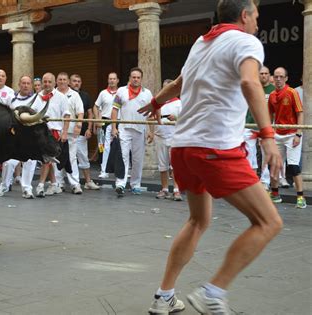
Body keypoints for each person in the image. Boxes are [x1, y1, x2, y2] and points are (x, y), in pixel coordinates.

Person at [138, 1, 283, 314]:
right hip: (214, 148)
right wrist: (268, 136)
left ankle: (164, 296)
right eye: (256, 16)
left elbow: (178, 84)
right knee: (268, 222)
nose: (258, 23)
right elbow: (249, 81)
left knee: (197, 220)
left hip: (184, 148)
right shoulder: (247, 41)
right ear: (244, 16)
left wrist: (155, 102)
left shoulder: (201, 44)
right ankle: (212, 292)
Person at [111, 67, 153, 197]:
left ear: (141, 79)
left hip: (140, 130)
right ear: (129, 78)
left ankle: (136, 185)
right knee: (122, 157)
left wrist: (151, 131)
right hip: (124, 129)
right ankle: (120, 184)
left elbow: (150, 114)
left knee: (137, 159)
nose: (135, 79)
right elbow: (114, 110)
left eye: (138, 77)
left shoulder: (147, 93)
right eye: (133, 77)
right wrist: (114, 127)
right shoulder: (121, 91)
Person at [268, 67, 306, 208]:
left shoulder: (292, 93)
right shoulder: (272, 95)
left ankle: (301, 198)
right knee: (274, 165)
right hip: (277, 135)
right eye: (276, 76)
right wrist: (268, 134)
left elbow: (300, 113)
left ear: (286, 78)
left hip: (292, 135)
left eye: (281, 77)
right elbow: (269, 116)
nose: (278, 79)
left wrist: (298, 133)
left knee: (293, 167)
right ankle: (275, 194)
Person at [0, 75, 37, 198]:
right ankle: (4, 186)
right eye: (23, 83)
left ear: (31, 85)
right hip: (15, 138)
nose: (25, 85)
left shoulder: (37, 99)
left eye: (28, 83)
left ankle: (27, 189)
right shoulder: (11, 99)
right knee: (8, 162)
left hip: (30, 138)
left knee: (30, 163)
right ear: (19, 84)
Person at [34, 72, 71, 198]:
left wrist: (65, 132)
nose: (47, 84)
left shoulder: (61, 97)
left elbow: (66, 115)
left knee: (46, 159)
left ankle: (40, 185)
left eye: (50, 82)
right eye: (45, 81)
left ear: (54, 83)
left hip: (54, 132)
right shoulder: (37, 96)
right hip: (40, 132)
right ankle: (54, 184)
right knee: (47, 159)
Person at [55, 72, 84, 194]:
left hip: (71, 131)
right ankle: (58, 184)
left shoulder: (74, 95)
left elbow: (80, 112)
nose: (62, 81)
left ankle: (75, 184)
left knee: (71, 157)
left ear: (68, 81)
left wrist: (79, 125)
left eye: (64, 79)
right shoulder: (53, 94)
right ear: (56, 81)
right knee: (56, 159)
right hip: (56, 131)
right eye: (60, 79)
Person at [69, 74, 100, 190]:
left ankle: (88, 181)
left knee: (83, 157)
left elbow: (90, 113)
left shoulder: (85, 95)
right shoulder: (65, 95)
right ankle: (60, 183)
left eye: (79, 81)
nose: (76, 83)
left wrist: (89, 128)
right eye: (74, 81)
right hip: (68, 132)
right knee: (66, 157)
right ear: (69, 83)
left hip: (81, 132)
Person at [155, 79, 182, 201]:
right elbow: (151, 118)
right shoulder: (158, 103)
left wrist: (176, 118)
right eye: (164, 88)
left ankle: (176, 190)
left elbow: (187, 119)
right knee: (162, 165)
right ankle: (164, 189)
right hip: (160, 136)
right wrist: (151, 132)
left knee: (175, 166)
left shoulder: (179, 103)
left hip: (174, 138)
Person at [94, 72, 120, 179]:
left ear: (117, 80)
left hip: (119, 121)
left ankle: (121, 170)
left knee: (120, 146)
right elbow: (95, 107)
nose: (112, 80)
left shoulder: (121, 92)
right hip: (104, 121)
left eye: (114, 79)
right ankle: (104, 170)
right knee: (102, 146)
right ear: (108, 80)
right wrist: (97, 120)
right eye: (110, 79)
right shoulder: (103, 93)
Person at [258, 66, 276, 190]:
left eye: (266, 73)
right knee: (249, 155)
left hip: (267, 125)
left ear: (269, 75)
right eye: (261, 73)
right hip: (250, 124)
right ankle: (251, 179)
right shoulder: (253, 87)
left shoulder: (274, 90)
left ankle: (265, 181)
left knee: (266, 154)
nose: (263, 76)